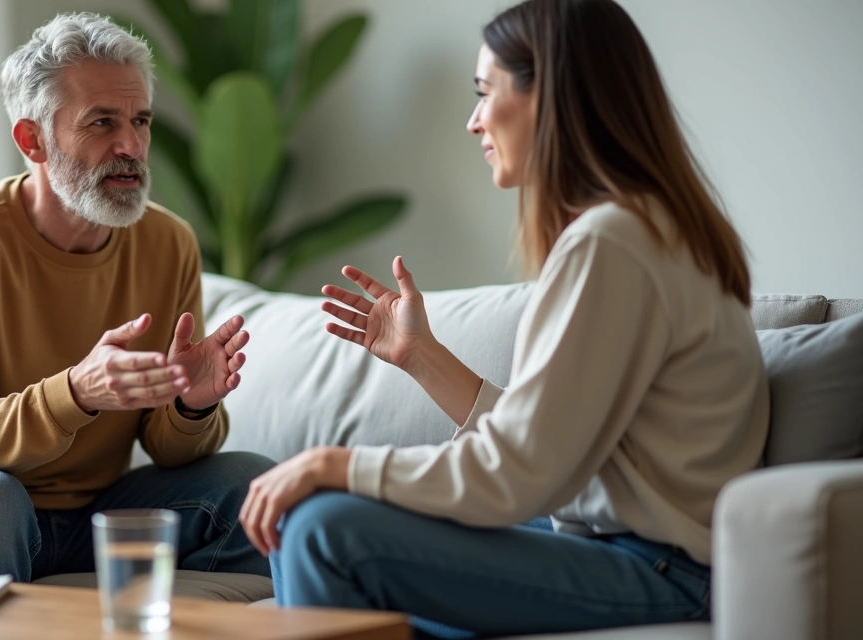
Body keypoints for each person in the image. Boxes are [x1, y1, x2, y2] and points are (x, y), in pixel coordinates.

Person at [238, 0, 768, 636]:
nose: (473, 121)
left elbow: (517, 473)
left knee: (324, 529)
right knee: (318, 527)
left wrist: (332, 463)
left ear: (551, 95)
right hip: (619, 545)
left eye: (486, 92)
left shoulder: (614, 243)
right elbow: (543, 449)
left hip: (657, 568)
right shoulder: (641, 228)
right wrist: (421, 355)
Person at [0, 13, 273, 583]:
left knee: (254, 486)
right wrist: (77, 391)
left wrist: (190, 405)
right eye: (101, 122)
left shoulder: (168, 241)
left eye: (141, 120)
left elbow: (169, 450)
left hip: (90, 514)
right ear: (33, 139)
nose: (131, 144)